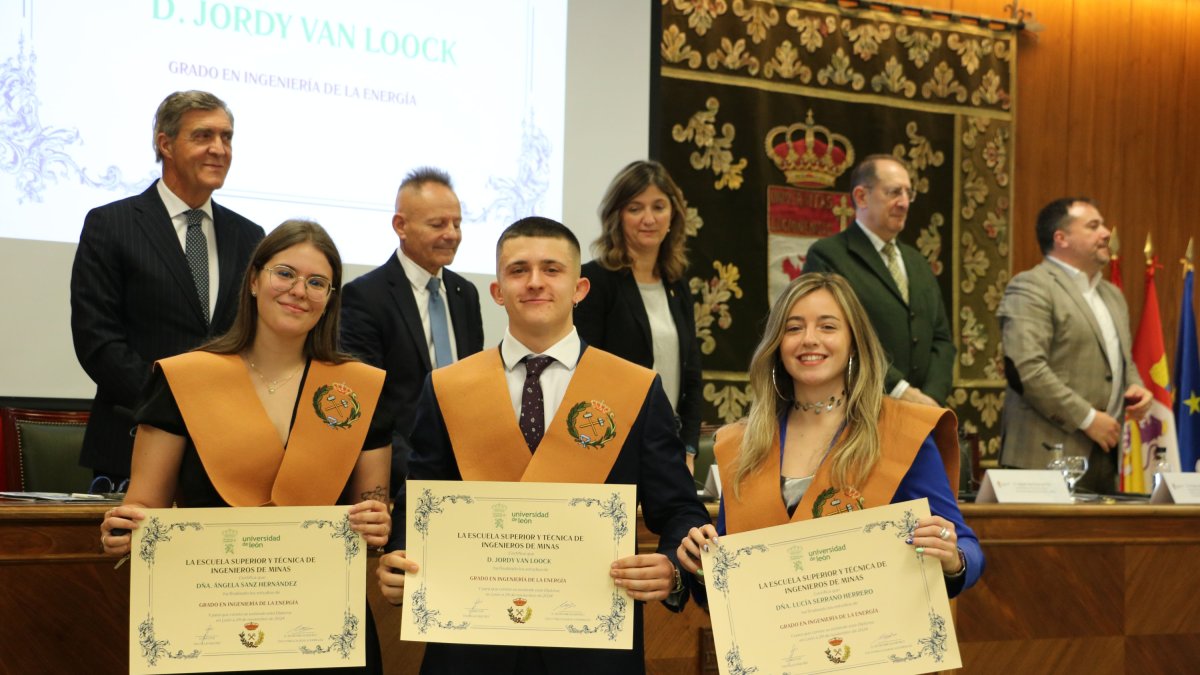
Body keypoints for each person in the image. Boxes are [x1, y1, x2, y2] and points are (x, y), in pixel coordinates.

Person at [376, 217, 711, 674]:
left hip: (591, 653)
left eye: (552, 269)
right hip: (471, 648)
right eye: (519, 270)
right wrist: (398, 558)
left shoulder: (634, 388)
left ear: (579, 288)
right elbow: (418, 501)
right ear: (498, 291)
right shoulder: (447, 387)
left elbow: (680, 511)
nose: (535, 282)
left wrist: (671, 567)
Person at [99, 220, 392, 674]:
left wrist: (377, 523)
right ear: (254, 280)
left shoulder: (359, 389)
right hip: (211, 621)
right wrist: (124, 529)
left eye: (317, 282)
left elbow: (371, 511)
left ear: (330, 298)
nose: (299, 291)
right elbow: (144, 508)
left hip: (321, 623)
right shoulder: (185, 379)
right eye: (285, 274)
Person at [678, 273, 983, 599]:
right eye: (794, 328)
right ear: (777, 344)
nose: (809, 339)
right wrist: (700, 567)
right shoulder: (745, 444)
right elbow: (730, 575)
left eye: (827, 326)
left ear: (854, 341)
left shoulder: (902, 432)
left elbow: (967, 549)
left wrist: (953, 558)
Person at [71, 90, 264, 486]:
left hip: (227, 452)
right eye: (203, 136)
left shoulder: (249, 236)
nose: (219, 149)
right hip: (133, 441)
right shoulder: (112, 224)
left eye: (226, 137)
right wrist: (175, 406)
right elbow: (98, 341)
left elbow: (254, 340)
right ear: (166, 144)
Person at [340, 167, 484, 520]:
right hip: (402, 481)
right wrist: (424, 471)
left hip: (469, 479)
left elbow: (474, 387)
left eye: (457, 224)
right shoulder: (365, 297)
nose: (452, 234)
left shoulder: (465, 294)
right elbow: (371, 406)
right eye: (438, 224)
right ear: (400, 225)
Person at [998, 198, 1152, 493]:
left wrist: (1136, 386)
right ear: (1061, 238)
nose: (1106, 233)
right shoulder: (1031, 286)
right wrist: (1088, 419)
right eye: (1093, 226)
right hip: (1045, 456)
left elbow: (1122, 361)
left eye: (1103, 225)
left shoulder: (1112, 295)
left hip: (1104, 455)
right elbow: (1026, 369)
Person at [574, 160, 703, 472]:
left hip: (669, 449)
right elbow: (585, 374)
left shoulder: (677, 285)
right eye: (635, 208)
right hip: (611, 447)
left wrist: (688, 448)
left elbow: (692, 376)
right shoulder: (595, 281)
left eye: (658, 207)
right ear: (617, 215)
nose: (649, 219)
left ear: (673, 215)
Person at [802, 154, 954, 407]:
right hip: (858, 409)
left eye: (908, 193)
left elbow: (941, 339)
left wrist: (930, 398)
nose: (904, 203)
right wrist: (901, 391)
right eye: (894, 192)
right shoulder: (829, 256)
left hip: (923, 411)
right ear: (862, 197)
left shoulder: (917, 262)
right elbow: (836, 338)